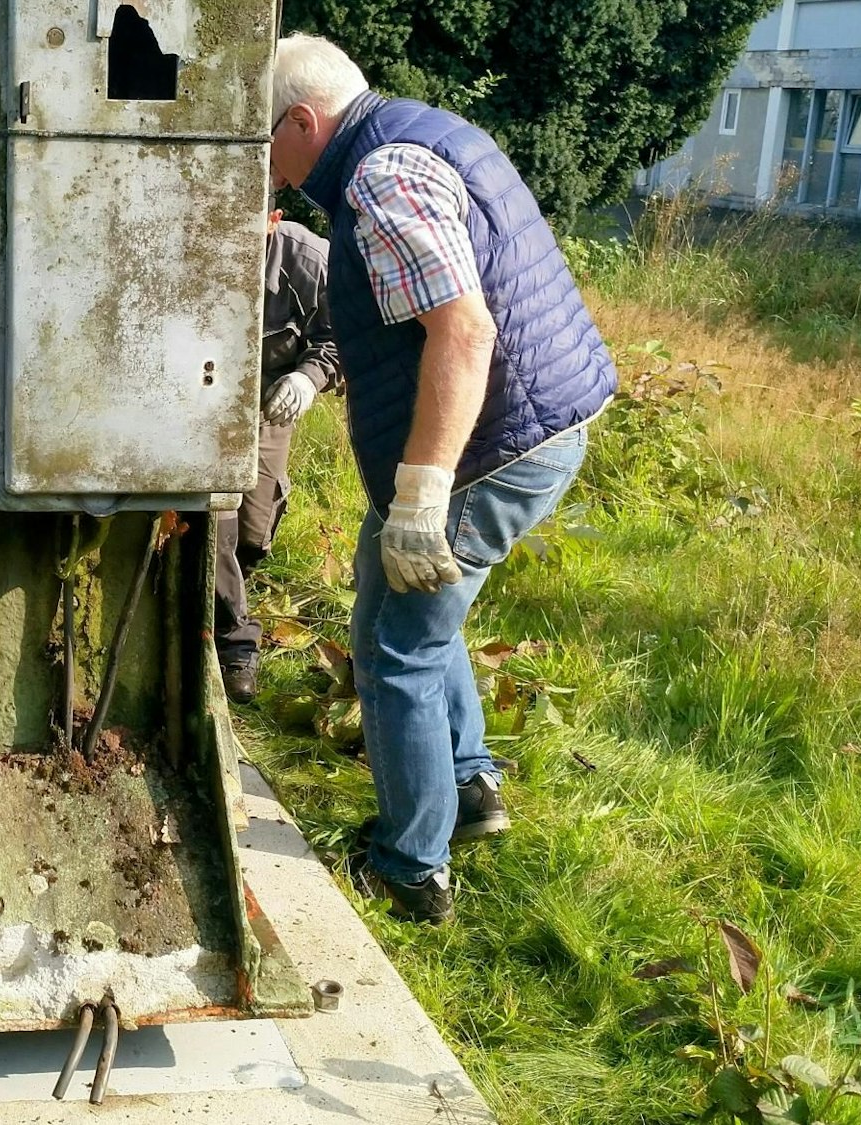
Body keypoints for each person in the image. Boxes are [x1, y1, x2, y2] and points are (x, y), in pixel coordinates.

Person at [266, 34, 616, 924]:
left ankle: (413, 870)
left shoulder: (382, 177)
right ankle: (470, 788)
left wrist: (421, 498)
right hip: (532, 422)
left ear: (303, 122)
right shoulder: (415, 134)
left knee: (397, 645)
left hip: (499, 441)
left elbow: (462, 332)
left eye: (264, 138)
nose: (261, 160)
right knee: (406, 601)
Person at [217, 211, 339, 705]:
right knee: (217, 523)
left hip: (269, 404)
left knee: (251, 531)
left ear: (274, 218)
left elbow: (342, 337)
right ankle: (234, 645)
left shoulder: (310, 260)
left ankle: (223, 594)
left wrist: (309, 377)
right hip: (200, 407)